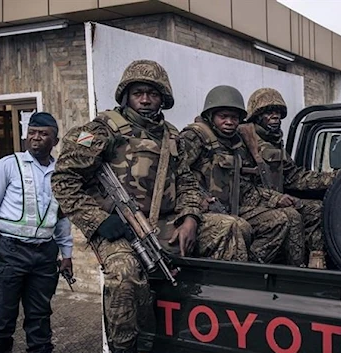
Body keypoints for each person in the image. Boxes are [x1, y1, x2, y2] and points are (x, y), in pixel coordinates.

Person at [51, 60, 251, 353]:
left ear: (163, 98)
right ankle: (126, 347)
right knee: (124, 274)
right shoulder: (101, 130)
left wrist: (191, 217)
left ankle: (219, 326)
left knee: (233, 227)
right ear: (126, 96)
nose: (146, 100)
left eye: (153, 94)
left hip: (162, 223)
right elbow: (63, 180)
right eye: (139, 93)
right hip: (115, 226)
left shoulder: (172, 136)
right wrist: (97, 220)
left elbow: (187, 182)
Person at [0, 112, 73, 353]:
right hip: (10, 252)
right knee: (1, 321)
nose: (36, 138)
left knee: (40, 321)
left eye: (43, 134)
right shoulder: (8, 165)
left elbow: (61, 218)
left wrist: (67, 253)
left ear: (55, 141)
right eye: (32, 133)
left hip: (44, 256)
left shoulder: (60, 173)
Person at [181, 85, 306, 266]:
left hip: (233, 207)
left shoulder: (238, 143)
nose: (230, 122)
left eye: (234, 118)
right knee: (237, 226)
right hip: (203, 212)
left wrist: (275, 199)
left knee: (282, 219)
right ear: (210, 117)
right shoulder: (195, 137)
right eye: (223, 117)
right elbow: (177, 175)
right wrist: (197, 201)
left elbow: (245, 186)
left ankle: (254, 266)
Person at [244, 88, 339, 268]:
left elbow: (294, 177)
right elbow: (240, 184)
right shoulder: (245, 141)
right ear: (257, 115)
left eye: (278, 112)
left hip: (274, 200)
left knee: (316, 208)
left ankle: (315, 261)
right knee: (291, 215)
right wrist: (273, 199)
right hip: (252, 201)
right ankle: (291, 268)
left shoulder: (275, 143)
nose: (275, 116)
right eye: (269, 112)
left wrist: (334, 178)